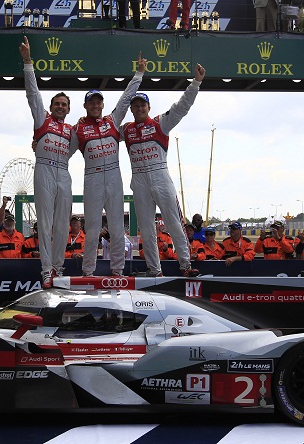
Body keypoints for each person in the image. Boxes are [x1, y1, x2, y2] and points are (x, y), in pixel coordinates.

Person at [120, 63, 206, 278]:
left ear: (148, 108)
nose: (139, 109)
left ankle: (185, 265)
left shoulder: (160, 123)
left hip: (160, 177)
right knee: (146, 228)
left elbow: (181, 107)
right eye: (135, 106)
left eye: (142, 106)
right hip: (139, 180)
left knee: (173, 222)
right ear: (131, 109)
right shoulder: (126, 129)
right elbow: (102, 134)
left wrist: (195, 83)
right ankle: (154, 269)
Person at [72, 53, 145, 277]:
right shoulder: (78, 129)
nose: (95, 105)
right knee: (92, 228)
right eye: (91, 102)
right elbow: (61, 151)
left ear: (103, 104)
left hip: (114, 176)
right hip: (92, 177)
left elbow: (125, 98)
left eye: (98, 102)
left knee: (116, 227)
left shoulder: (113, 121)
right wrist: (39, 143)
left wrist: (139, 74)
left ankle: (117, 271)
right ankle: (88, 272)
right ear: (85, 106)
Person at [20, 36, 74, 288]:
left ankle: (58, 267)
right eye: (57, 104)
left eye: (64, 104)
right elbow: (33, 93)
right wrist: (28, 62)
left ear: (68, 109)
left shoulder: (73, 130)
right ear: (51, 106)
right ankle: (45, 270)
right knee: (44, 221)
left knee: (63, 221)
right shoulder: (42, 119)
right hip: (43, 168)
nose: (60, 107)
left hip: (63, 171)